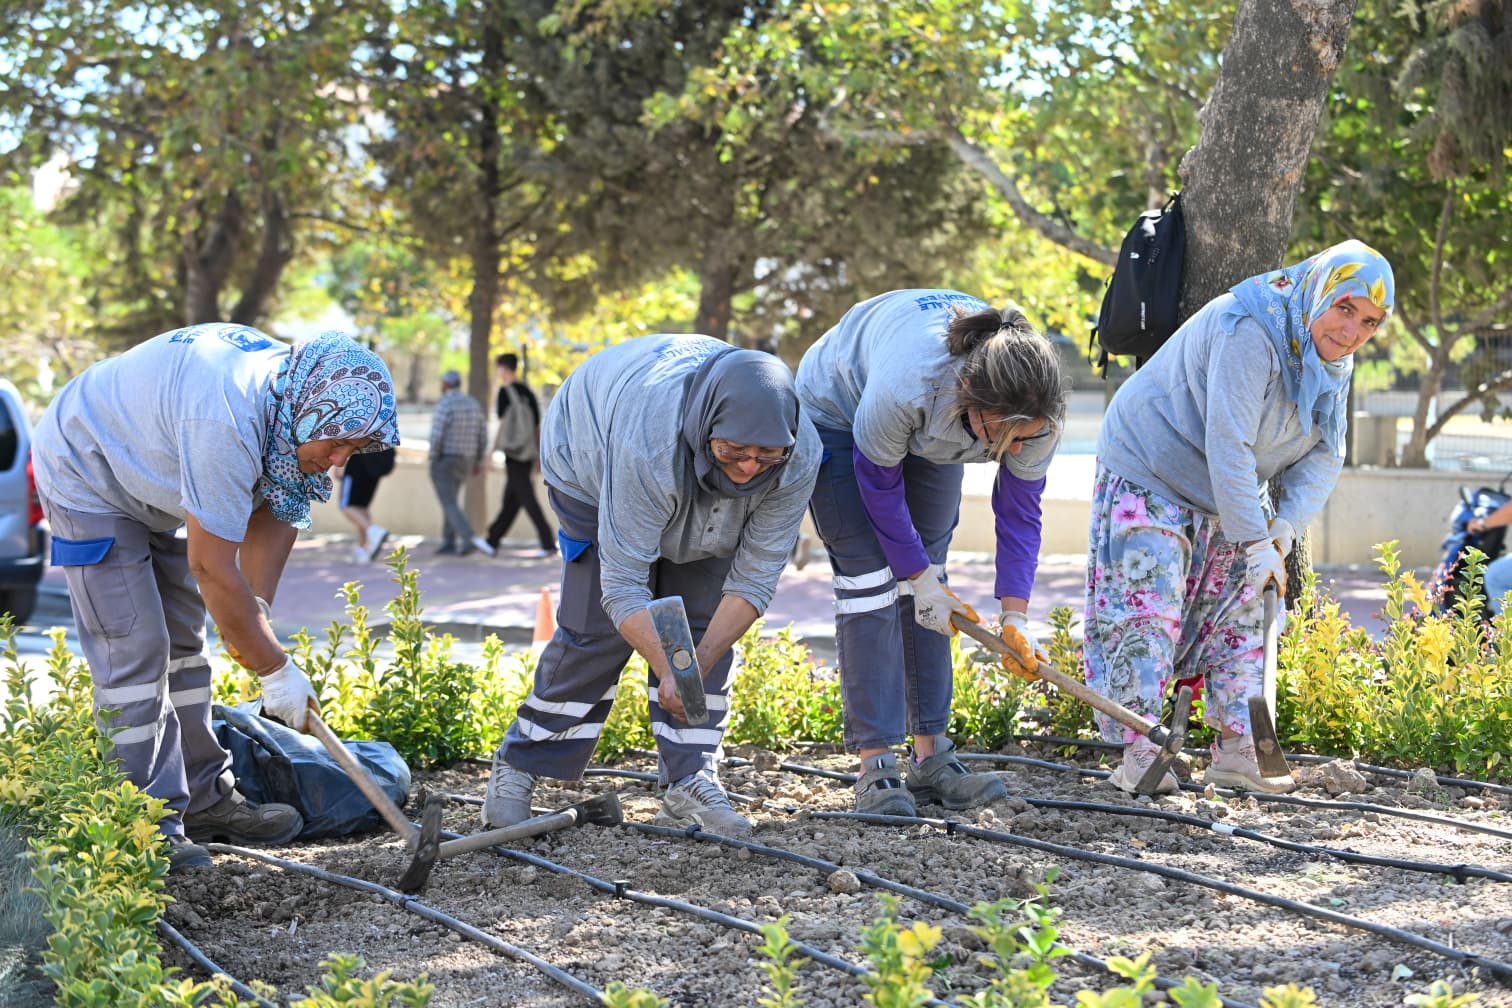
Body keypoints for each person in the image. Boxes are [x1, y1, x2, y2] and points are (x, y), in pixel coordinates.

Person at [31, 323, 400, 873]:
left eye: (354, 447)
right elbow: (212, 567)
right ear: (314, 411)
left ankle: (204, 800)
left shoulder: (289, 405)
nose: (340, 459)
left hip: (154, 471)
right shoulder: (226, 421)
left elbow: (276, 510)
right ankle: (142, 826)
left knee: (185, 644)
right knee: (136, 651)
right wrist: (274, 670)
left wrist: (256, 617)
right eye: (338, 441)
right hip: (87, 467)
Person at [1085, 239, 1394, 795]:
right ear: (1319, 291)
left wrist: (1283, 528)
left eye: (1369, 321)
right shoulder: (1251, 330)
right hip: (1150, 467)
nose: (1352, 332)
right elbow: (1229, 443)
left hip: (1227, 488)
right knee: (1148, 609)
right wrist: (1254, 542)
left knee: (1249, 609)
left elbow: (1327, 451)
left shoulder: (1333, 358)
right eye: (1345, 308)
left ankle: (1239, 748)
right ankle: (1141, 749)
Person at [484, 334, 821, 836]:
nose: (749, 467)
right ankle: (520, 763)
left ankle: (691, 778)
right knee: (597, 630)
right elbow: (623, 586)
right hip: (590, 459)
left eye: (765, 455)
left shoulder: (798, 454)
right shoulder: (650, 444)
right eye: (733, 450)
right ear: (709, 429)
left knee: (701, 620)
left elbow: (753, 579)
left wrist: (694, 664)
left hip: (674, 459)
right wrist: (670, 670)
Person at [795, 289, 1068, 816]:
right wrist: (915, 578)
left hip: (935, 425)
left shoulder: (1037, 413)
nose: (1015, 450)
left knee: (934, 583)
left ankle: (932, 757)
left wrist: (1015, 614)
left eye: (1026, 439)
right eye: (1007, 437)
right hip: (840, 413)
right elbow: (879, 488)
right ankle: (875, 764)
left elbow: (1020, 513)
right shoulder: (909, 386)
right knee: (869, 580)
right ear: (971, 397)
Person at [484, 353, 557, 558]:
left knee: (526, 497)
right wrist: (539, 454)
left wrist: (492, 452)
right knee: (512, 499)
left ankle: (548, 542)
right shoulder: (528, 392)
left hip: (513, 453)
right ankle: (492, 540)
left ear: (503, 368)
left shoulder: (504, 392)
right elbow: (537, 426)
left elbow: (502, 425)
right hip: (528, 451)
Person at [428, 369, 494, 557]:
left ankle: (468, 538)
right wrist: (478, 461)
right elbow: (483, 435)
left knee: (448, 501)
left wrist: (433, 458)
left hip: (445, 459)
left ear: (445, 384)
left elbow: (437, 435)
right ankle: (449, 542)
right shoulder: (473, 404)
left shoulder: (445, 404)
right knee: (452, 501)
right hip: (467, 460)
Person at [338, 445, 395, 563]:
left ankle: (373, 531)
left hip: (358, 460)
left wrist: (339, 461)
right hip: (376, 460)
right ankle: (362, 549)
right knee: (361, 507)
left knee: (347, 506)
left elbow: (347, 436)